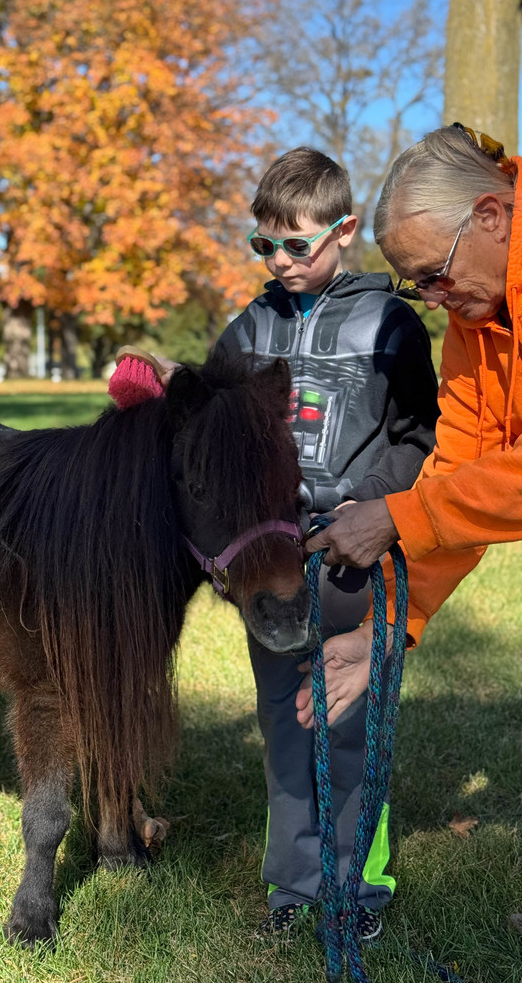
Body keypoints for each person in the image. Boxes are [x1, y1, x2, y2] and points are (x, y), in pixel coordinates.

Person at [211, 147, 439, 942]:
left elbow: (418, 435)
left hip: (359, 558)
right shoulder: (251, 326)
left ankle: (357, 889)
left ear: (343, 232)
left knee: (348, 726)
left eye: (295, 244)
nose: (279, 261)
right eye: (263, 244)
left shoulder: (392, 324)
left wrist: (369, 506)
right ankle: (295, 885)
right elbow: (211, 430)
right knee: (285, 724)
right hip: (276, 565)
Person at [301, 124, 521, 734]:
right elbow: (458, 479)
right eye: (415, 282)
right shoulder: (473, 324)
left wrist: (398, 517)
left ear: (489, 217)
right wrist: (384, 629)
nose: (429, 299)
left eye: (435, 273)